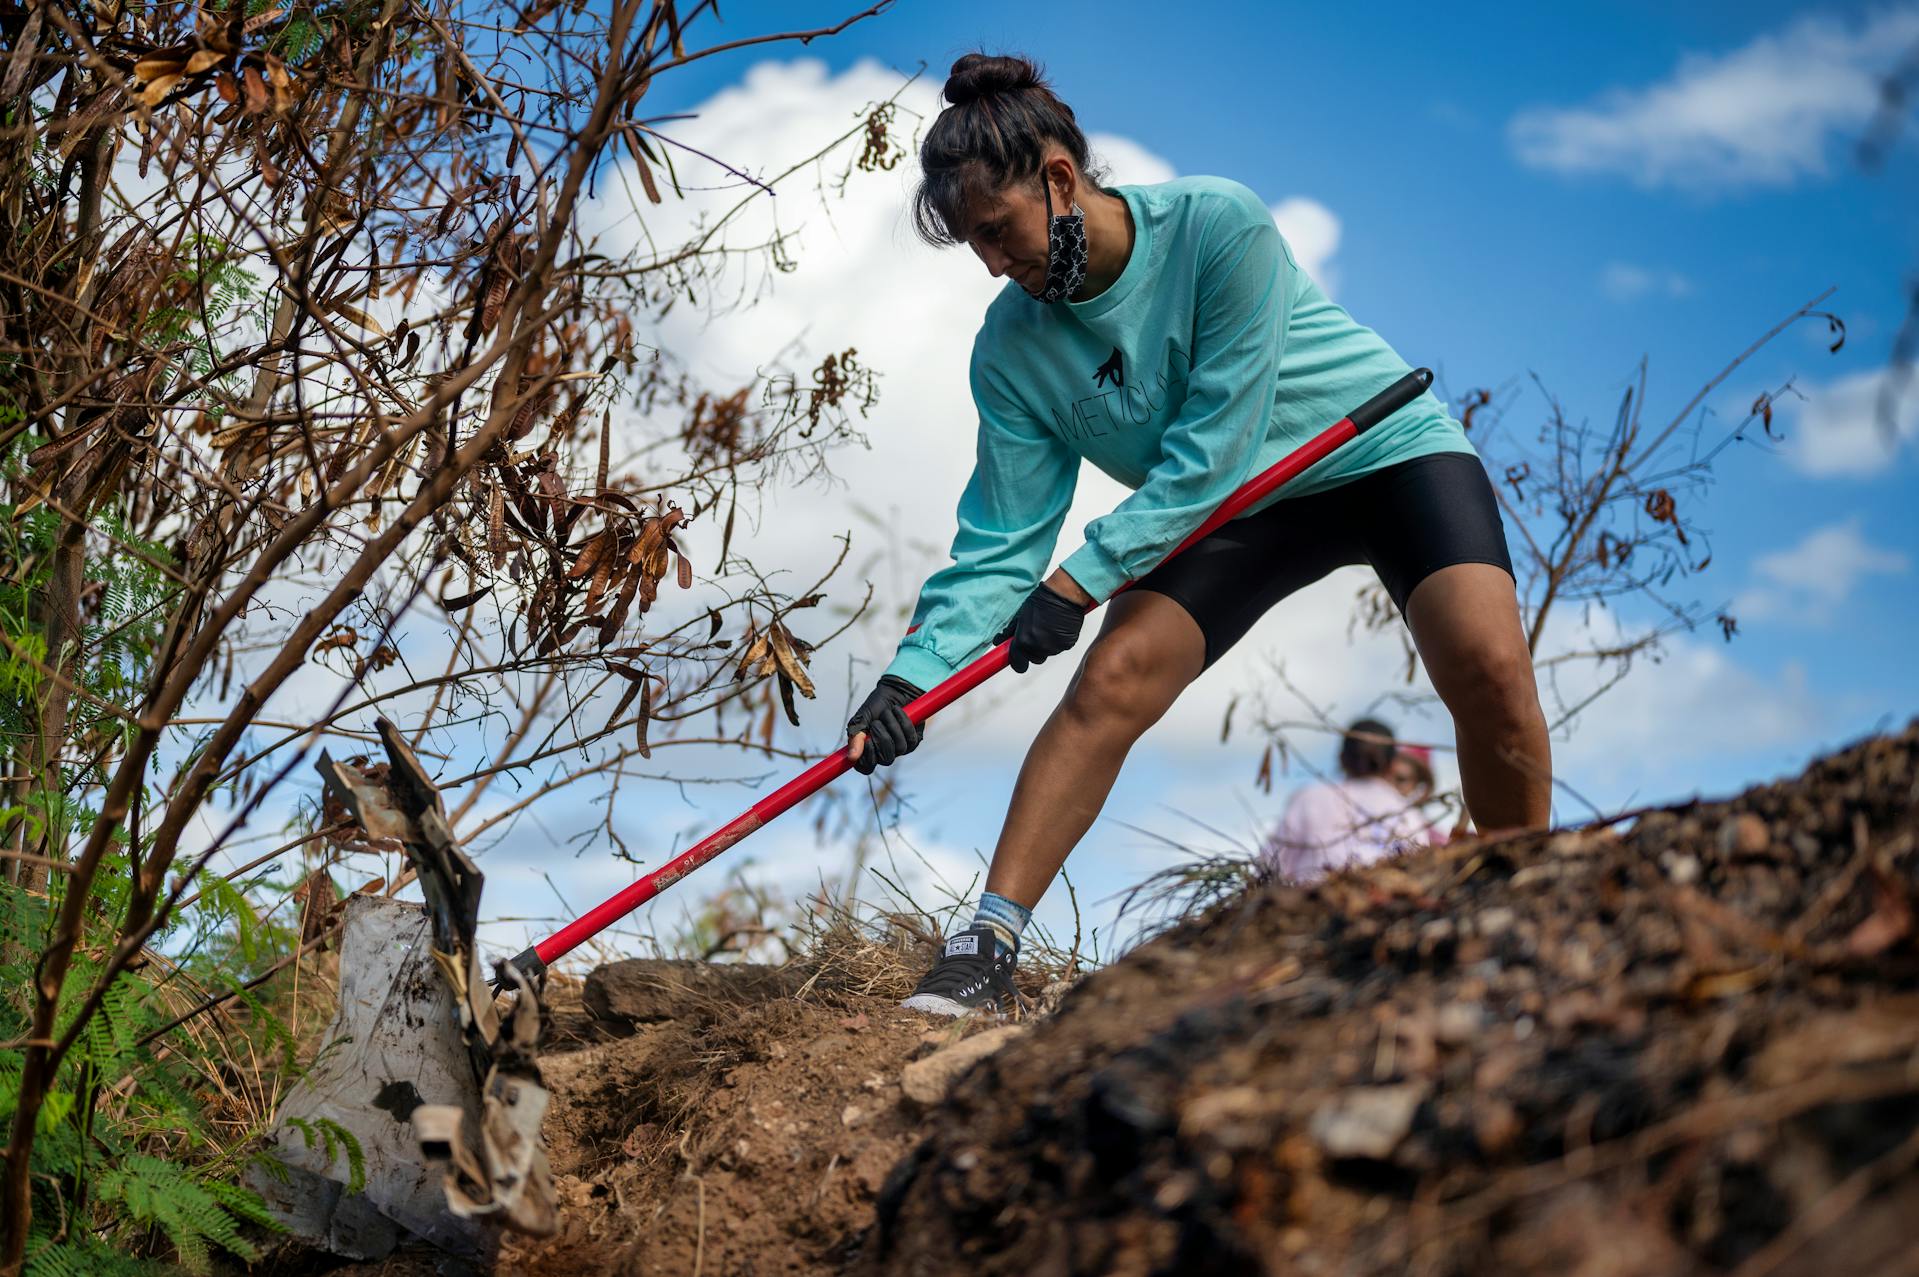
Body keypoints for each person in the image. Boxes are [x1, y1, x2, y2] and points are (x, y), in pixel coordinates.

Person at [844, 53, 1551, 1017]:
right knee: (1113, 676)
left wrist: (1075, 585)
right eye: (975, 246)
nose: (994, 264)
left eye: (999, 232)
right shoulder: (1009, 348)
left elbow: (1212, 448)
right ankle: (984, 946)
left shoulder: (1218, 224)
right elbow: (1002, 534)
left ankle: (1526, 899)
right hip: (1236, 511)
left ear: (1058, 180)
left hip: (1377, 451)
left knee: (1488, 666)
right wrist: (911, 677)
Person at [1263, 720, 1434, 882]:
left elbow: (1270, 865)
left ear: (1341, 758)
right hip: (1382, 908)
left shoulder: (1309, 798)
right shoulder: (1409, 814)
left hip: (1308, 905)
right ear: (1391, 764)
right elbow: (1421, 871)